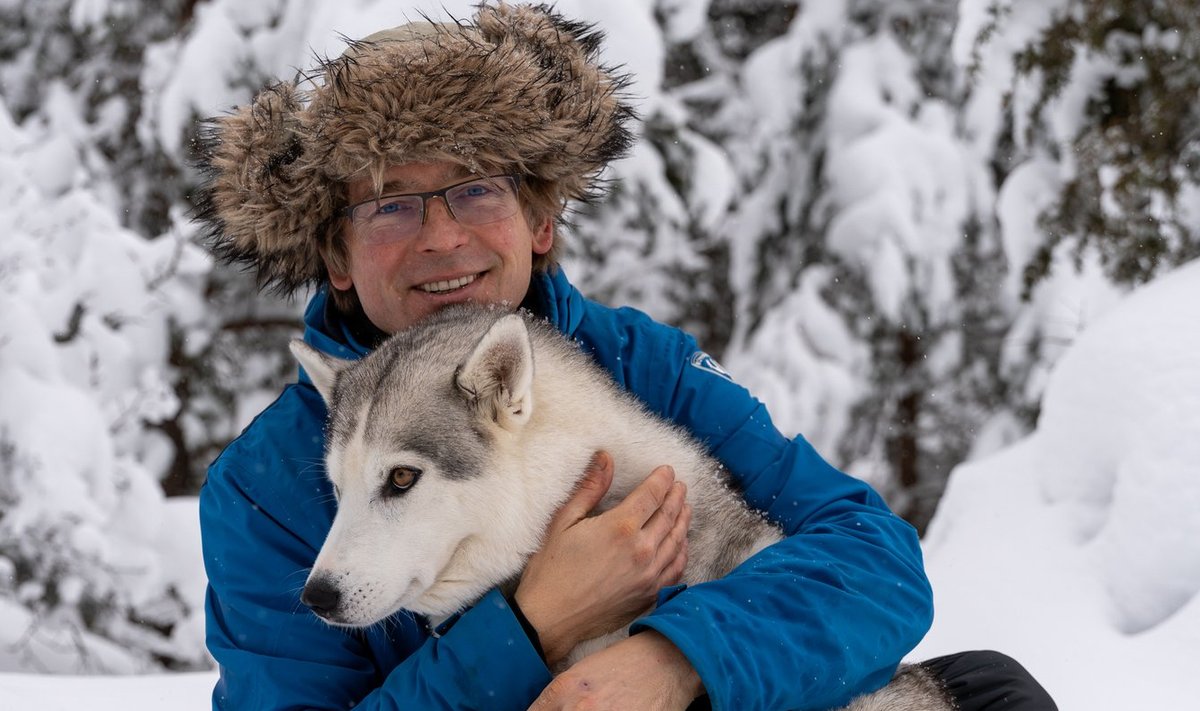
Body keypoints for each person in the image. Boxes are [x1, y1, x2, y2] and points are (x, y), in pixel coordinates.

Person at [196, 3, 1056, 710]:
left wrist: (673, 660)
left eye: (475, 188)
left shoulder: (637, 363)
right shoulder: (265, 486)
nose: (443, 237)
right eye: (391, 204)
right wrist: (533, 630)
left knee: (987, 688)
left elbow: (872, 559)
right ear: (337, 257)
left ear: (540, 224)